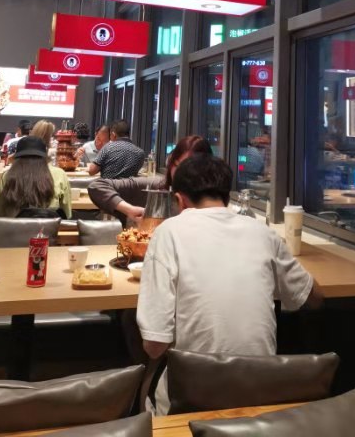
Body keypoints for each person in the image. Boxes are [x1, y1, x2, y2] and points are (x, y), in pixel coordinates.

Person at [136, 154, 323, 415]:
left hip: (193, 401)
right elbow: (313, 297)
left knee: (144, 389)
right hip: (263, 397)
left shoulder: (168, 232)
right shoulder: (262, 232)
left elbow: (155, 345)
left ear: (180, 200)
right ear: (227, 196)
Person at [88, 134, 212, 222]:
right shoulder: (157, 186)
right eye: (177, 165)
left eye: (189, 167)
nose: (180, 172)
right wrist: (129, 209)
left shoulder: (212, 204)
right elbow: (96, 186)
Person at [0, 136, 72, 218]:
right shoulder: (60, 175)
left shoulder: (6, 176)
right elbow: (67, 214)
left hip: (13, 226)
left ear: (17, 156)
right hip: (49, 226)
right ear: (45, 156)